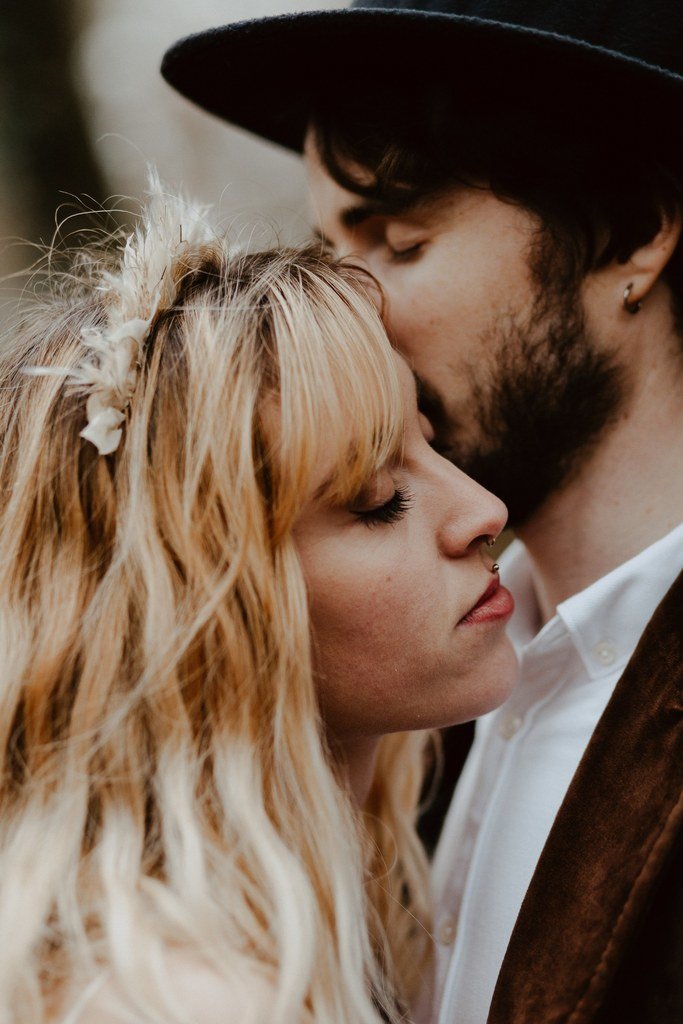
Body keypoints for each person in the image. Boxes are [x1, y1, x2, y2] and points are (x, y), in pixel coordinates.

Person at [161, 3, 683, 1022]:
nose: (355, 317)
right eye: (328, 254)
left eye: (397, 242)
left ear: (633, 231)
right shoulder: (392, 683)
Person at [0, 177, 516, 1024]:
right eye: (377, 496)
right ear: (197, 601)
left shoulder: (335, 927)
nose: (482, 511)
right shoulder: (182, 999)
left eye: (434, 445)